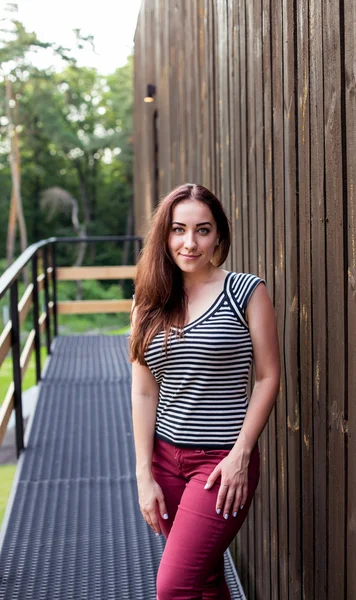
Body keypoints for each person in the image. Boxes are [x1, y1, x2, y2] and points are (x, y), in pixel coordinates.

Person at [129, 183, 280, 600]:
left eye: (203, 230)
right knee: (206, 579)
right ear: (165, 234)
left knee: (175, 586)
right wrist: (144, 473)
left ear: (218, 236)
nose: (189, 242)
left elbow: (268, 377)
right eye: (178, 230)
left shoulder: (246, 292)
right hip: (164, 461)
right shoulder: (149, 300)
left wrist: (241, 454)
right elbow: (143, 392)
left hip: (220, 464)